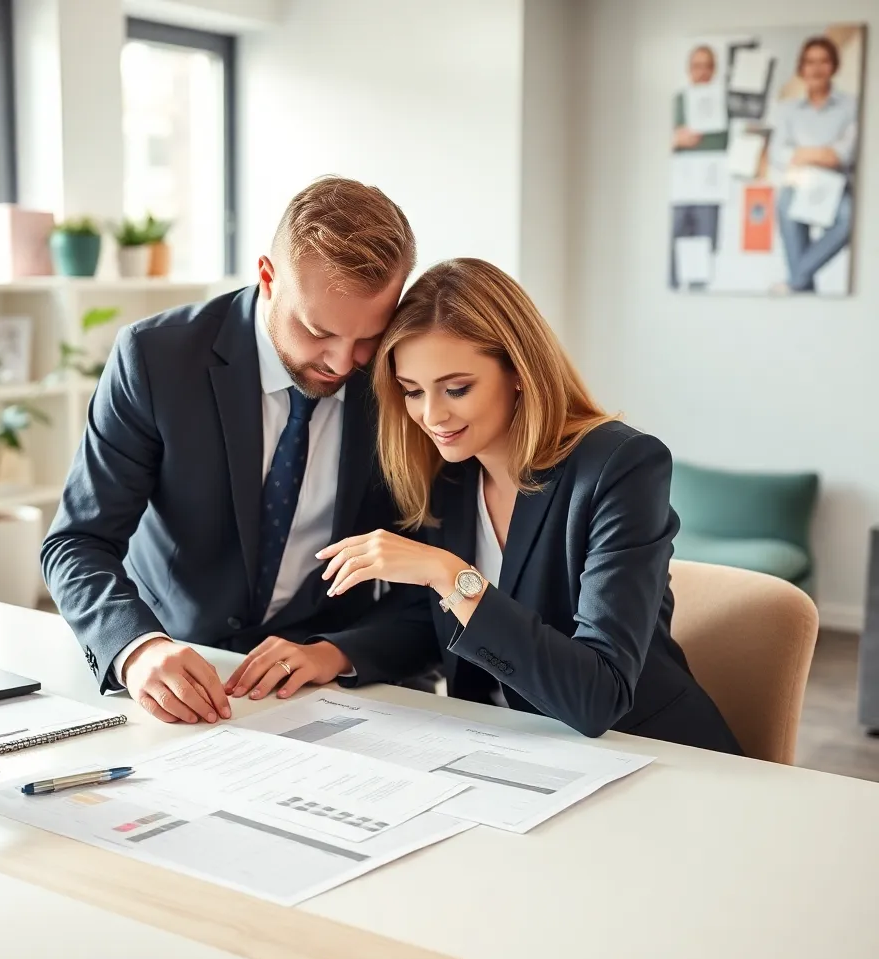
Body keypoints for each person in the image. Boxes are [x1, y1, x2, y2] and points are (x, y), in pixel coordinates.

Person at [307, 258, 741, 754]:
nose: (431, 415)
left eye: (456, 389)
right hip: (517, 755)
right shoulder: (450, 474)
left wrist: (452, 575)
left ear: (518, 370)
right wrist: (335, 653)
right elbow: (435, 621)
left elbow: (599, 694)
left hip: (649, 755)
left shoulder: (621, 467)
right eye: (412, 392)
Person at [41, 176, 424, 725]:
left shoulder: (401, 380)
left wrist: (338, 652)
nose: (343, 364)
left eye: (367, 336)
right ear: (268, 278)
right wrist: (138, 647)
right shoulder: (155, 360)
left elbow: (428, 576)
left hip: (329, 686)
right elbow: (77, 543)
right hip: (179, 668)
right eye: (318, 331)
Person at [770, 36, 858, 294]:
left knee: (848, 218)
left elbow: (842, 155)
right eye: (810, 62)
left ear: (833, 66)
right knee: (785, 206)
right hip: (799, 183)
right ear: (801, 68)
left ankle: (795, 281)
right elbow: (778, 153)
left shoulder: (851, 105)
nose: (816, 69)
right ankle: (801, 283)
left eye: (823, 61)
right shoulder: (787, 109)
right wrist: (820, 153)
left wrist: (802, 153)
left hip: (837, 185)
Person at [669, 44, 729, 290]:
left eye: (707, 66)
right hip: (679, 187)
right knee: (672, 246)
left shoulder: (725, 104)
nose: (702, 72)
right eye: (697, 66)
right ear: (688, 70)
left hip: (710, 186)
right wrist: (675, 139)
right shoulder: (676, 102)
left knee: (703, 248)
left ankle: (696, 295)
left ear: (714, 70)